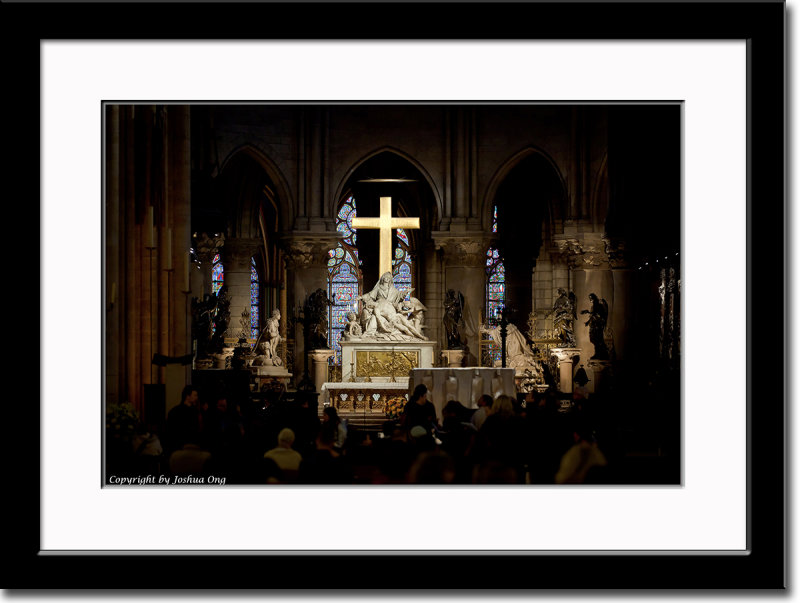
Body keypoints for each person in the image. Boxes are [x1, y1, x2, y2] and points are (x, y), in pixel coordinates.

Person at [165, 385, 201, 452]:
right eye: (195, 395)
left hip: (184, 447)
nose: (197, 398)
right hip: (181, 447)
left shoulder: (194, 411)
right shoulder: (176, 412)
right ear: (187, 396)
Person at [581, 293, 609, 360]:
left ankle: (602, 353)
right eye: (589, 298)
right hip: (593, 324)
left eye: (591, 297)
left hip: (598, 325)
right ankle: (597, 353)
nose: (590, 299)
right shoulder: (593, 306)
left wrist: (588, 312)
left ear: (594, 298)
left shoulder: (599, 305)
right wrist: (588, 322)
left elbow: (598, 315)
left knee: (598, 339)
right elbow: (592, 315)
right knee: (593, 339)